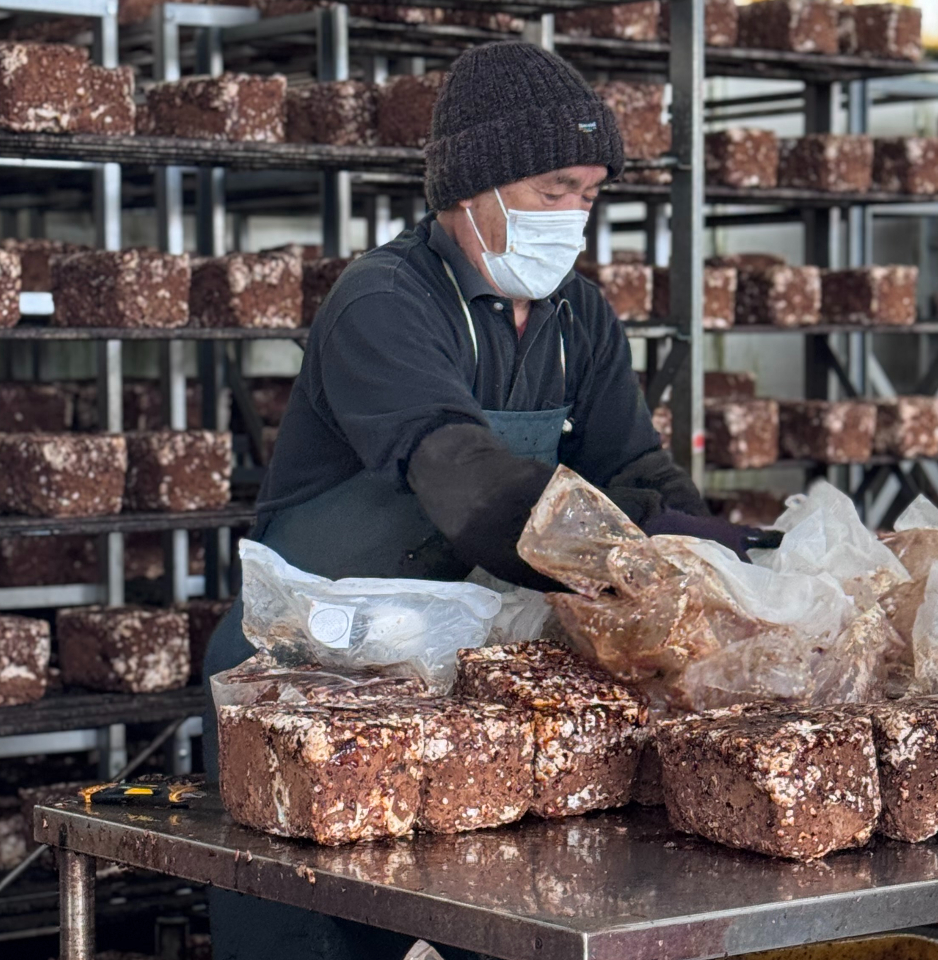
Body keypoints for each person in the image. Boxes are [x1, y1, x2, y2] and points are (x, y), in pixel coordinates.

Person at [201, 40, 776, 960]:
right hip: (306, 672)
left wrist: (738, 556)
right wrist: (630, 566)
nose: (575, 218)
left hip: (443, 667)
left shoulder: (578, 320)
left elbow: (638, 473)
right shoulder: (383, 303)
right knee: (314, 926)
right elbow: (466, 482)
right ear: (474, 189)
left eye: (589, 194)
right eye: (553, 190)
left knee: (459, 919)